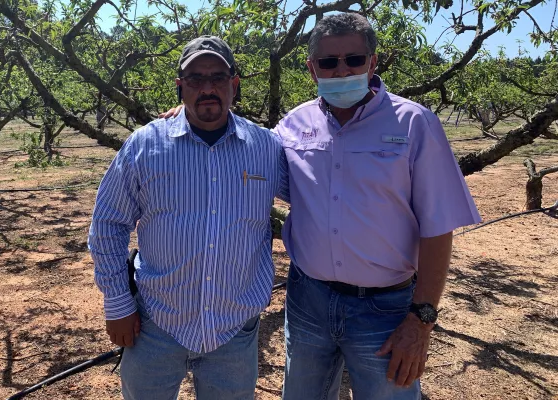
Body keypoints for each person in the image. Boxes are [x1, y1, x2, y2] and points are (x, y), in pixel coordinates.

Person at [275, 13, 481, 400]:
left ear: (372, 62)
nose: (341, 70)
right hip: (308, 300)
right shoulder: (292, 125)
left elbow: (437, 228)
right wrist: (182, 117)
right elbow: (245, 154)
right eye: (328, 62)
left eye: (353, 59)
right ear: (311, 68)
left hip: (384, 310)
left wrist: (421, 320)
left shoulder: (415, 124)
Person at [88, 35, 289, 400]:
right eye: (195, 79)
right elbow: (108, 224)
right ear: (180, 87)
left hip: (234, 328)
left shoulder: (268, 148)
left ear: (235, 84)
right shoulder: (145, 145)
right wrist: (117, 303)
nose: (208, 88)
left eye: (218, 77)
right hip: (154, 325)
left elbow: (320, 193)